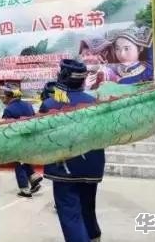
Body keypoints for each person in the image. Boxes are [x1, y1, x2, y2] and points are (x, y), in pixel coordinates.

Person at [40, 60, 104, 242]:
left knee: (70, 214)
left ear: (62, 77)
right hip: (92, 166)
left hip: (65, 167)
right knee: (87, 208)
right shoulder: (94, 102)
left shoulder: (50, 104)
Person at [0, 84, 43, 198]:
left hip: (17, 140)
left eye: (4, 96)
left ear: (9, 96)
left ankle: (24, 188)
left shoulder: (9, 109)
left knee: (19, 162)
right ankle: (33, 177)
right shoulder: (28, 105)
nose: (3, 98)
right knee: (24, 160)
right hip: (29, 139)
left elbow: (5, 127)